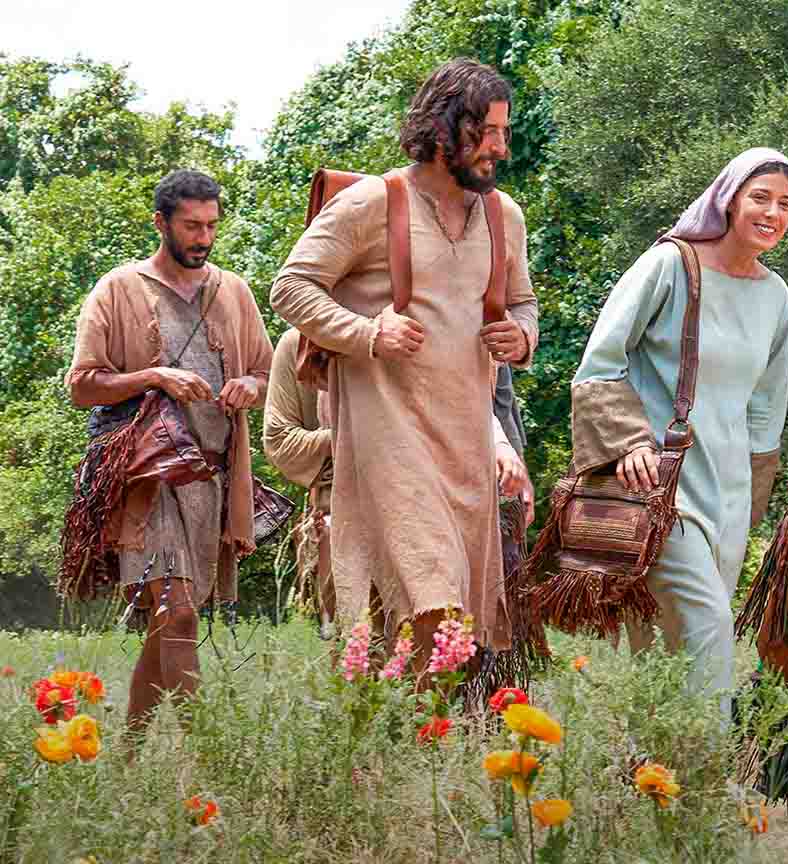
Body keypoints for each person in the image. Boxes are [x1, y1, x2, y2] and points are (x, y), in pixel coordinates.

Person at [271, 58, 539, 675]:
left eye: (504, 132)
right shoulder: (371, 203)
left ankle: (404, 727)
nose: (501, 147)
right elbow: (291, 287)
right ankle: (420, 726)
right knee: (435, 604)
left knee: (449, 631)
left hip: (466, 445)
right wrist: (368, 333)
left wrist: (520, 335)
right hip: (390, 439)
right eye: (487, 132)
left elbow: (523, 303)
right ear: (444, 128)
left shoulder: (505, 215)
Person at [570, 148, 788, 711]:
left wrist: (753, 500)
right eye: (760, 197)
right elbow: (600, 363)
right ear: (729, 200)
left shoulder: (776, 295)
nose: (773, 213)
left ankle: (656, 757)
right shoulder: (670, 265)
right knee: (709, 624)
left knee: (668, 647)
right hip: (659, 487)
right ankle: (710, 762)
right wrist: (627, 443)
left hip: (730, 492)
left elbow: (766, 411)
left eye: (786, 204)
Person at [66, 169, 273, 738]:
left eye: (211, 225)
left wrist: (249, 386)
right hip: (146, 477)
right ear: (160, 223)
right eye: (191, 226)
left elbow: (265, 372)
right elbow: (81, 385)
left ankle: (129, 754)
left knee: (168, 624)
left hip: (212, 476)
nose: (204, 238)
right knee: (177, 613)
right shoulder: (118, 289)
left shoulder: (233, 291)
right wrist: (155, 375)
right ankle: (205, 759)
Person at [263, 326, 337, 638]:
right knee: (347, 640)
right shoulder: (298, 343)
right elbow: (278, 440)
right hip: (334, 515)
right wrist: (349, 436)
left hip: (416, 508)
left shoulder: (410, 327)